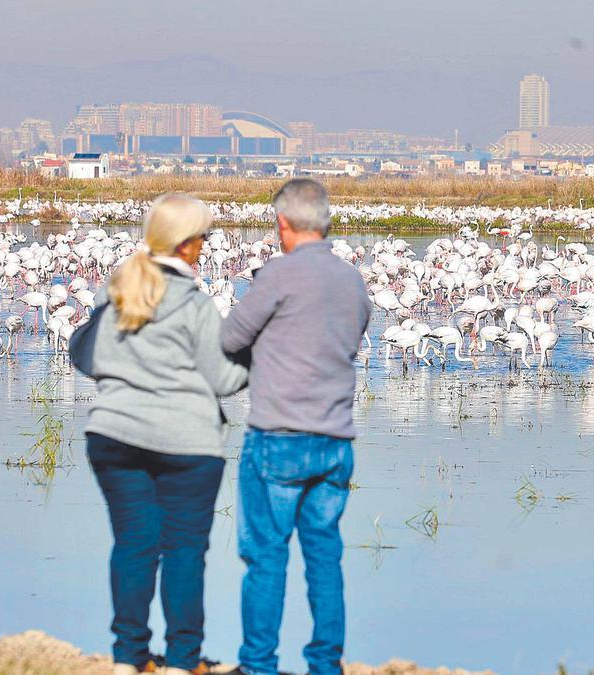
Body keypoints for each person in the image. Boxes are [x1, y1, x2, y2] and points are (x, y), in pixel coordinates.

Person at [70, 193, 247, 675]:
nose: (206, 247)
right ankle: (183, 661)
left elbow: (88, 356)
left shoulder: (118, 290)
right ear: (187, 246)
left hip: (112, 436)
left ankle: (128, 658)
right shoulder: (193, 303)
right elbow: (226, 381)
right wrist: (251, 353)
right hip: (187, 444)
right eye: (203, 238)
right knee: (184, 550)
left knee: (133, 545)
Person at [221, 179, 372, 675]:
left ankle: (258, 665)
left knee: (266, 557)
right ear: (324, 222)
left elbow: (230, 337)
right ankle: (326, 665)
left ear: (282, 223)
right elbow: (350, 337)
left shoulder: (279, 276)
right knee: (324, 558)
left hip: (279, 437)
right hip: (335, 441)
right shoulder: (352, 281)